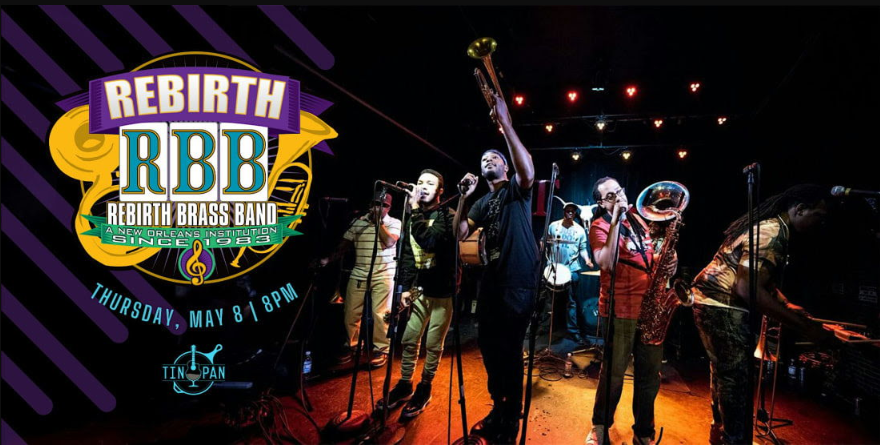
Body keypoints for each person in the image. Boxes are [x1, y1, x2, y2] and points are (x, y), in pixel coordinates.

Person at [690, 184, 837, 445]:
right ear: (800, 209)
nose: (821, 223)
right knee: (736, 379)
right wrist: (805, 328)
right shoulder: (771, 231)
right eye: (819, 216)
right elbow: (747, 288)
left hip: (709, 302)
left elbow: (758, 279)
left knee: (725, 375)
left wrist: (786, 305)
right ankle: (733, 439)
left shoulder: (768, 226)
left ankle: (721, 433)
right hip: (722, 306)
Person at [456, 92, 538, 443]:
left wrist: (505, 123)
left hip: (518, 279)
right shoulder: (482, 201)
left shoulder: (516, 190)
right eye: (483, 159)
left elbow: (528, 169)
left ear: (505, 167)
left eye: (494, 158)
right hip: (491, 279)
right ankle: (499, 406)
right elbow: (461, 233)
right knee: (489, 347)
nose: (487, 160)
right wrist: (463, 198)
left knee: (509, 349)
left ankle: (510, 418)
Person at [585, 177, 675, 445]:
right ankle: (600, 425)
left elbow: (645, 257)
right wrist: (615, 219)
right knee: (613, 376)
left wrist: (666, 262)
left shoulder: (638, 220)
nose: (619, 197)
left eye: (619, 191)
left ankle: (644, 431)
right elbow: (606, 262)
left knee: (649, 377)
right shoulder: (600, 225)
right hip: (620, 310)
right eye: (610, 196)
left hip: (649, 310)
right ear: (601, 203)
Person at [378, 169, 457, 418]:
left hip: (442, 291)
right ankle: (405, 384)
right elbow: (408, 255)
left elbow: (429, 241)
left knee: (433, 344)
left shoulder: (447, 215)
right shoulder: (412, 216)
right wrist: (403, 288)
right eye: (420, 182)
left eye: (430, 184)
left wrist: (413, 209)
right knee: (409, 338)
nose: (422, 187)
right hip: (420, 289)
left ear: (440, 191)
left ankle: (425, 387)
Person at [321, 191, 401, 369]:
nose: (380, 208)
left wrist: (379, 223)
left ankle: (381, 349)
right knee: (351, 312)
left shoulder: (394, 223)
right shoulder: (358, 222)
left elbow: (389, 242)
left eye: (384, 205)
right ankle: (353, 346)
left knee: (382, 314)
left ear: (389, 208)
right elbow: (344, 245)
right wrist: (328, 259)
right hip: (359, 272)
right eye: (376, 204)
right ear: (370, 205)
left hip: (384, 273)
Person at [548, 202, 596, 345]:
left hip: (572, 269)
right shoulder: (553, 226)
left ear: (575, 214)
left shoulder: (579, 230)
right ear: (563, 211)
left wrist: (587, 260)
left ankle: (573, 332)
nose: (570, 213)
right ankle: (546, 330)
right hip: (554, 268)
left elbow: (582, 248)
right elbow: (546, 242)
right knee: (549, 301)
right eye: (567, 210)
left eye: (572, 211)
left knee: (571, 302)